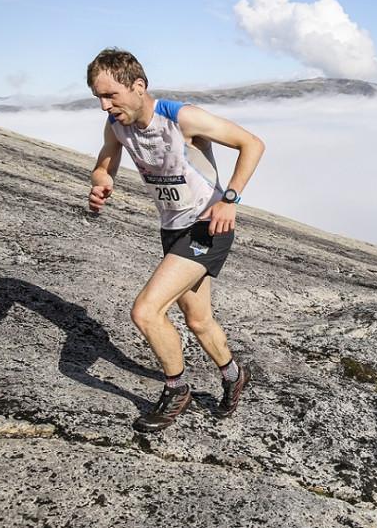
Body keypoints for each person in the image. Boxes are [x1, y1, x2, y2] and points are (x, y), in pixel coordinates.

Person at [85, 48, 265, 433]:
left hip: (207, 228)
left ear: (138, 86)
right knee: (198, 320)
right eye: (98, 97)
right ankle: (234, 375)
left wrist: (230, 200)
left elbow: (253, 144)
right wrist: (102, 180)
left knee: (146, 311)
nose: (105, 105)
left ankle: (176, 389)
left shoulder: (181, 117)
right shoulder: (117, 126)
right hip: (172, 229)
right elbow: (107, 159)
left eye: (111, 95)